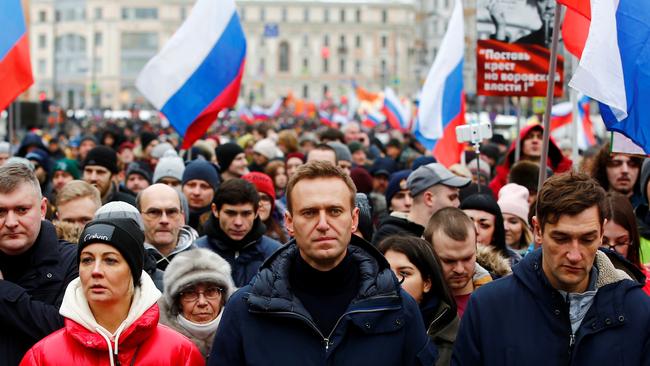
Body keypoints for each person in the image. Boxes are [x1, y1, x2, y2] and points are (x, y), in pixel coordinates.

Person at [209, 161, 436, 365]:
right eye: (309, 213)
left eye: (335, 211)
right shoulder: (246, 309)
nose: (323, 224)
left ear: (354, 219)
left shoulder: (397, 307)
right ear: (289, 222)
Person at [452, 171, 650, 365]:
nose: (574, 255)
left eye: (587, 239)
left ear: (601, 233)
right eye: (561, 239)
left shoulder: (638, 311)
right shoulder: (488, 307)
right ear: (538, 230)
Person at [20, 218, 204, 365]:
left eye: (110, 260)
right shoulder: (42, 357)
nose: (96, 270)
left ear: (133, 271)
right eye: (87, 260)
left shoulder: (179, 353)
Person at [0, 163, 78, 366]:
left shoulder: (75, 261)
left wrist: (3, 291)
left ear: (43, 209)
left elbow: (69, 332)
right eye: (0, 211)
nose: (10, 222)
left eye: (21, 210)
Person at [378, 235, 459, 366]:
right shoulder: (357, 321)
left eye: (404, 273)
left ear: (427, 283)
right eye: (384, 272)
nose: (391, 281)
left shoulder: (452, 337)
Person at [196, 178, 281, 287]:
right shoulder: (196, 252)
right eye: (230, 213)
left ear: (256, 212)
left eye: (246, 214)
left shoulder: (276, 254)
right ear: (215, 210)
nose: (238, 222)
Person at [159, 248, 235, 360]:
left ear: (223, 297)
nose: (202, 302)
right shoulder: (158, 343)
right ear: (177, 302)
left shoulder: (243, 336)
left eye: (211, 291)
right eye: (190, 293)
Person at [373, 163, 470, 246]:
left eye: (458, 197)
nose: (458, 203)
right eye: (451, 197)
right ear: (429, 198)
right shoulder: (392, 238)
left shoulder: (442, 233)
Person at [424, 207, 492, 318]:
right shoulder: (417, 302)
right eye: (449, 261)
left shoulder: (499, 295)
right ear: (429, 253)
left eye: (467, 258)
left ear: (476, 249)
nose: (459, 269)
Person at [489, 124, 572, 197]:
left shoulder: (561, 177)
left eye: (540, 137)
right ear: (521, 144)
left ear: (548, 144)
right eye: (529, 137)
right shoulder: (502, 179)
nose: (535, 141)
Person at [137, 184, 196, 271]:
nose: (164, 220)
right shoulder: (126, 264)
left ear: (182, 217)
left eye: (171, 212)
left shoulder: (205, 265)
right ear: (138, 217)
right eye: (154, 212)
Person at [603, 192, 650, 295]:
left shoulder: (646, 282)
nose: (611, 250)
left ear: (632, 241)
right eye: (603, 242)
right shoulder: (578, 283)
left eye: (621, 242)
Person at [461, 193, 521, 268]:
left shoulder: (514, 268)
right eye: (467, 222)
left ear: (495, 233)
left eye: (484, 225)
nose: (475, 230)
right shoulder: (442, 260)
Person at [591, 143, 643, 207]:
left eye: (632, 164)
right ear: (603, 167)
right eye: (616, 163)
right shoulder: (593, 206)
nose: (625, 170)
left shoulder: (647, 207)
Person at [242, 172, 289, 243]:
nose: (259, 204)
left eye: (264, 198)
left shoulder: (285, 235)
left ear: (272, 204)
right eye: (253, 198)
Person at [182, 159, 220, 233]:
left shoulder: (221, 225)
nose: (197, 192)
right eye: (191, 185)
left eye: (204, 186)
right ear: (182, 187)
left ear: (214, 191)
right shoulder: (170, 219)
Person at [497, 183, 533, 257]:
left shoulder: (535, 258)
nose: (505, 227)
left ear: (524, 227)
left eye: (513, 222)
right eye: (500, 220)